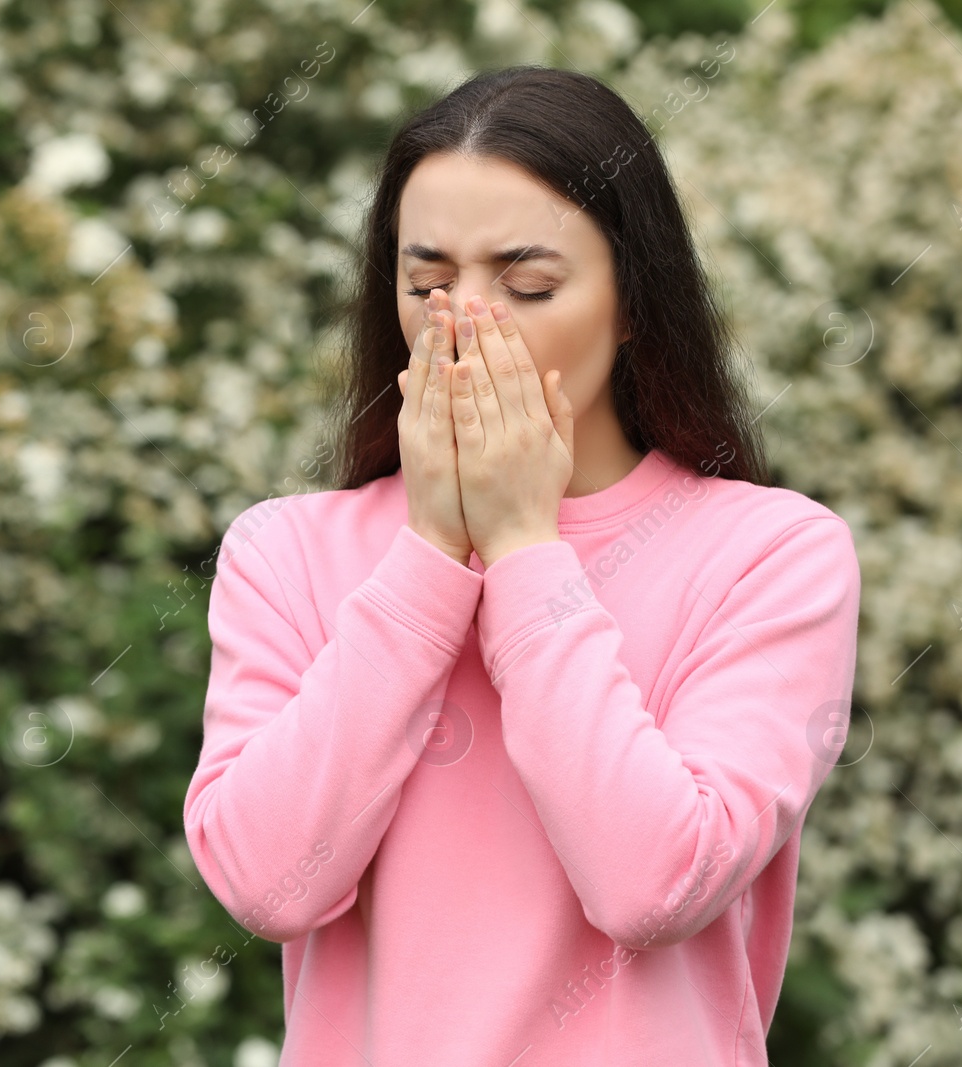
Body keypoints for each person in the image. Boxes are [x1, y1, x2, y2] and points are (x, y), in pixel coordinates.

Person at [182, 64, 862, 1065]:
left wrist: (522, 549)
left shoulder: (771, 554)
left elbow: (653, 883)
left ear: (633, 300)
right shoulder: (287, 551)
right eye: (426, 283)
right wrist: (428, 558)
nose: (467, 320)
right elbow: (266, 883)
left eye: (529, 284)